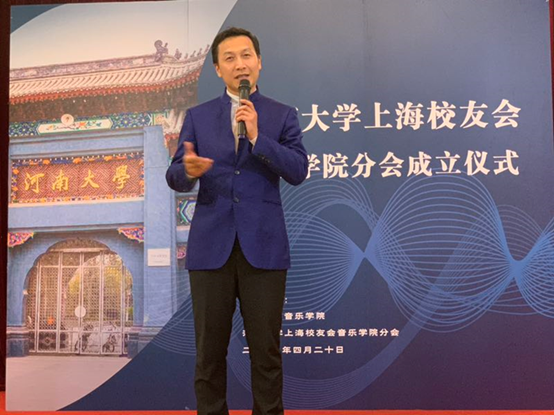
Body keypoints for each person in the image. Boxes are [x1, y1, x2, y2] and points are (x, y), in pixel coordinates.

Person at [166, 27, 308, 415]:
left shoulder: (281, 115)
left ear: (259, 62)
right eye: (229, 58)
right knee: (209, 354)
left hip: (263, 248)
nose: (239, 64)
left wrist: (259, 138)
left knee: (266, 352)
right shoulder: (197, 117)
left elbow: (298, 170)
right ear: (217, 69)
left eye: (246, 55)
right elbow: (175, 175)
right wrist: (188, 170)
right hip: (211, 248)